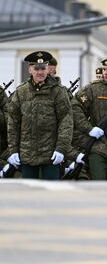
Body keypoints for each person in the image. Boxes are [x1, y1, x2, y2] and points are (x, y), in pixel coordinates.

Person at [7, 51, 73, 179]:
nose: (40, 72)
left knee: (51, 195)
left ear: (48, 69)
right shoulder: (21, 91)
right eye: (36, 68)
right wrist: (13, 150)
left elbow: (66, 121)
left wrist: (61, 149)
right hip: (27, 155)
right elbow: (13, 123)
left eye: (43, 68)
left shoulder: (58, 91)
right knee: (28, 195)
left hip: (51, 155)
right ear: (30, 69)